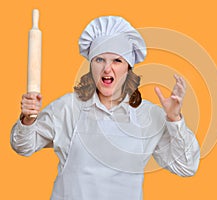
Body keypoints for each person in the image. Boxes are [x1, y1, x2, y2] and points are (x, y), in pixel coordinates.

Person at [11, 16, 200, 200]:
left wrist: (174, 119)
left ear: (128, 68)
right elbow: (23, 147)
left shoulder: (148, 116)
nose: (107, 69)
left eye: (117, 61)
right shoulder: (67, 108)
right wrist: (28, 119)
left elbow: (186, 166)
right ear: (91, 64)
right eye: (100, 60)